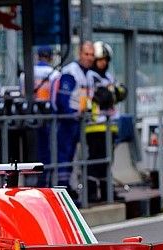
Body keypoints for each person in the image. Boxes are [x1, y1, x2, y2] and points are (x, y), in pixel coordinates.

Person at [85, 41, 127, 201]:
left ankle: (106, 192)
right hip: (95, 126)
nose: (104, 63)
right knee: (95, 160)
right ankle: (91, 193)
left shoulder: (108, 76)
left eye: (106, 60)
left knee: (107, 161)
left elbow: (121, 92)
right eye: (101, 59)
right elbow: (104, 97)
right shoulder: (91, 76)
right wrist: (112, 93)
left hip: (110, 126)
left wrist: (112, 93)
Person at [53, 40, 94, 195]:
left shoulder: (89, 74)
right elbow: (62, 99)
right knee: (64, 154)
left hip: (80, 120)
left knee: (73, 156)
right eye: (86, 54)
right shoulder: (71, 71)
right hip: (67, 121)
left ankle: (68, 186)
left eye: (92, 55)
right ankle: (62, 188)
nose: (89, 58)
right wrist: (71, 114)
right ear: (80, 54)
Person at [19, 46, 59, 179]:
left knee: (29, 150)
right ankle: (43, 180)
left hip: (28, 116)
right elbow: (54, 99)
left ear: (37, 55)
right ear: (50, 57)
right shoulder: (54, 74)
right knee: (46, 151)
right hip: (47, 118)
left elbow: (22, 95)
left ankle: (29, 178)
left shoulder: (26, 73)